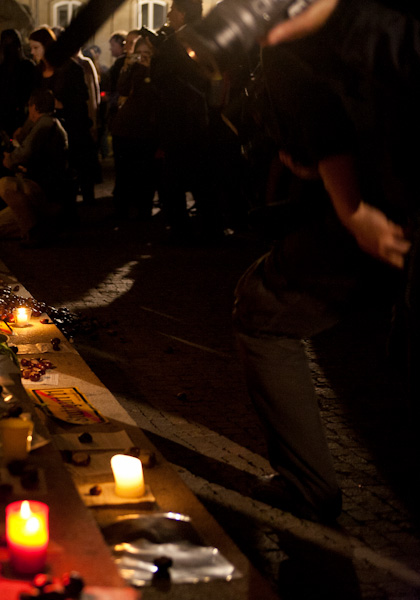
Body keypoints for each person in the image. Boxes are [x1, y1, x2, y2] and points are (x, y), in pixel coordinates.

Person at [233, 0, 420, 522]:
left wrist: (351, 208)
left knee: (262, 307)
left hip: (386, 216)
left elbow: (323, 126)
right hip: (388, 205)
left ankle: (307, 483)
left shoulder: (297, 36)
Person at [149, 0, 211, 241]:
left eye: (173, 9)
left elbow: (161, 79)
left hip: (178, 119)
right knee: (201, 177)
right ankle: (209, 225)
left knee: (174, 177)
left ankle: (181, 229)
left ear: (183, 13)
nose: (169, 14)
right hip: (199, 118)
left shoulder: (174, 43)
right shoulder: (204, 38)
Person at [0, 89, 70, 246]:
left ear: (34, 107)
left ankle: (34, 232)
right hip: (41, 187)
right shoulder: (48, 122)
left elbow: (24, 153)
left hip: (44, 190)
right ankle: (44, 228)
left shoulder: (44, 125)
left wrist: (9, 160)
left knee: (4, 184)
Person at [28, 26, 97, 209]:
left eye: (36, 47)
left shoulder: (70, 68)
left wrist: (59, 103)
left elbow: (81, 99)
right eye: (31, 48)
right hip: (46, 129)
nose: (32, 52)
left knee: (75, 168)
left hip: (71, 127)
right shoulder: (37, 71)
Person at [110, 35, 159, 220]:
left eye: (147, 53)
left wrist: (149, 69)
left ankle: (143, 211)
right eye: (139, 53)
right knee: (123, 173)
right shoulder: (133, 68)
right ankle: (121, 211)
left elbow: (156, 94)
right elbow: (122, 89)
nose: (143, 57)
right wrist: (127, 67)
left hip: (146, 129)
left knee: (145, 173)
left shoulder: (158, 70)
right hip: (125, 127)